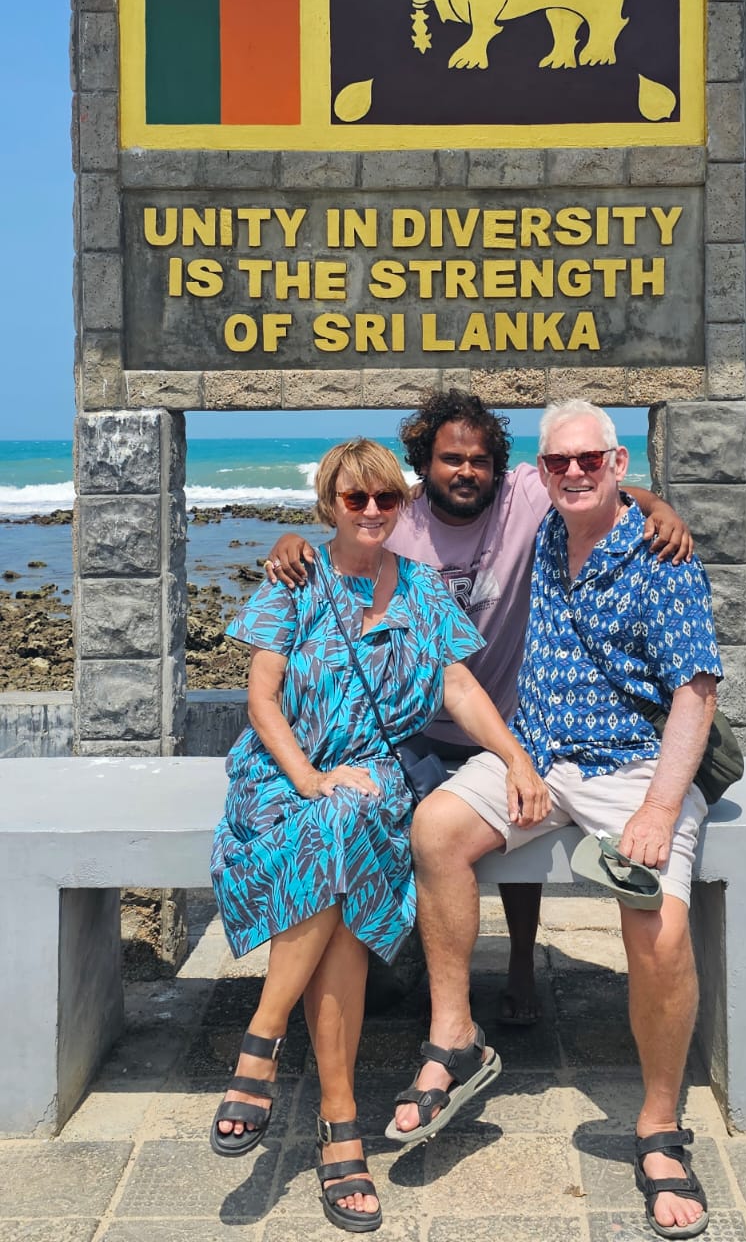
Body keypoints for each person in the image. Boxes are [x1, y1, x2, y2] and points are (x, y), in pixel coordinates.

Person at [386, 400, 722, 1242]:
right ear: (538, 474)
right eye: (559, 462)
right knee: (436, 831)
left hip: (630, 769)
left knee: (658, 930)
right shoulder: (541, 528)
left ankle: (656, 1126)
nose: (574, 472)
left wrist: (657, 807)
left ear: (618, 464)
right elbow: (360, 512)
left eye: (590, 461)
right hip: (535, 753)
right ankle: (456, 1036)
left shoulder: (659, 557)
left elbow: (697, 691)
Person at [267, 390, 693, 1027]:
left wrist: (659, 508)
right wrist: (289, 538)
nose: (465, 471)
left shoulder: (526, 492)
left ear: (500, 466)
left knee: (518, 838)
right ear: (424, 465)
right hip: (408, 728)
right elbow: (341, 534)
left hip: (505, 719)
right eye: (449, 459)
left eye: (478, 460)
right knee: (400, 836)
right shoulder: (397, 514)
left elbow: (596, 483)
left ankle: (521, 962)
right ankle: (400, 962)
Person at [210, 438, 548, 1233]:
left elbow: (458, 686)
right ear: (329, 503)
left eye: (385, 500)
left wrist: (516, 758)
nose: (369, 512)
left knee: (352, 822)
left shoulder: (425, 590)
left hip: (370, 779)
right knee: (342, 839)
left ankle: (264, 1049)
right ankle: (339, 1129)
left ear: (402, 507)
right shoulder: (294, 580)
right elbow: (262, 700)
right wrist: (308, 778)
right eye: (353, 499)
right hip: (281, 779)